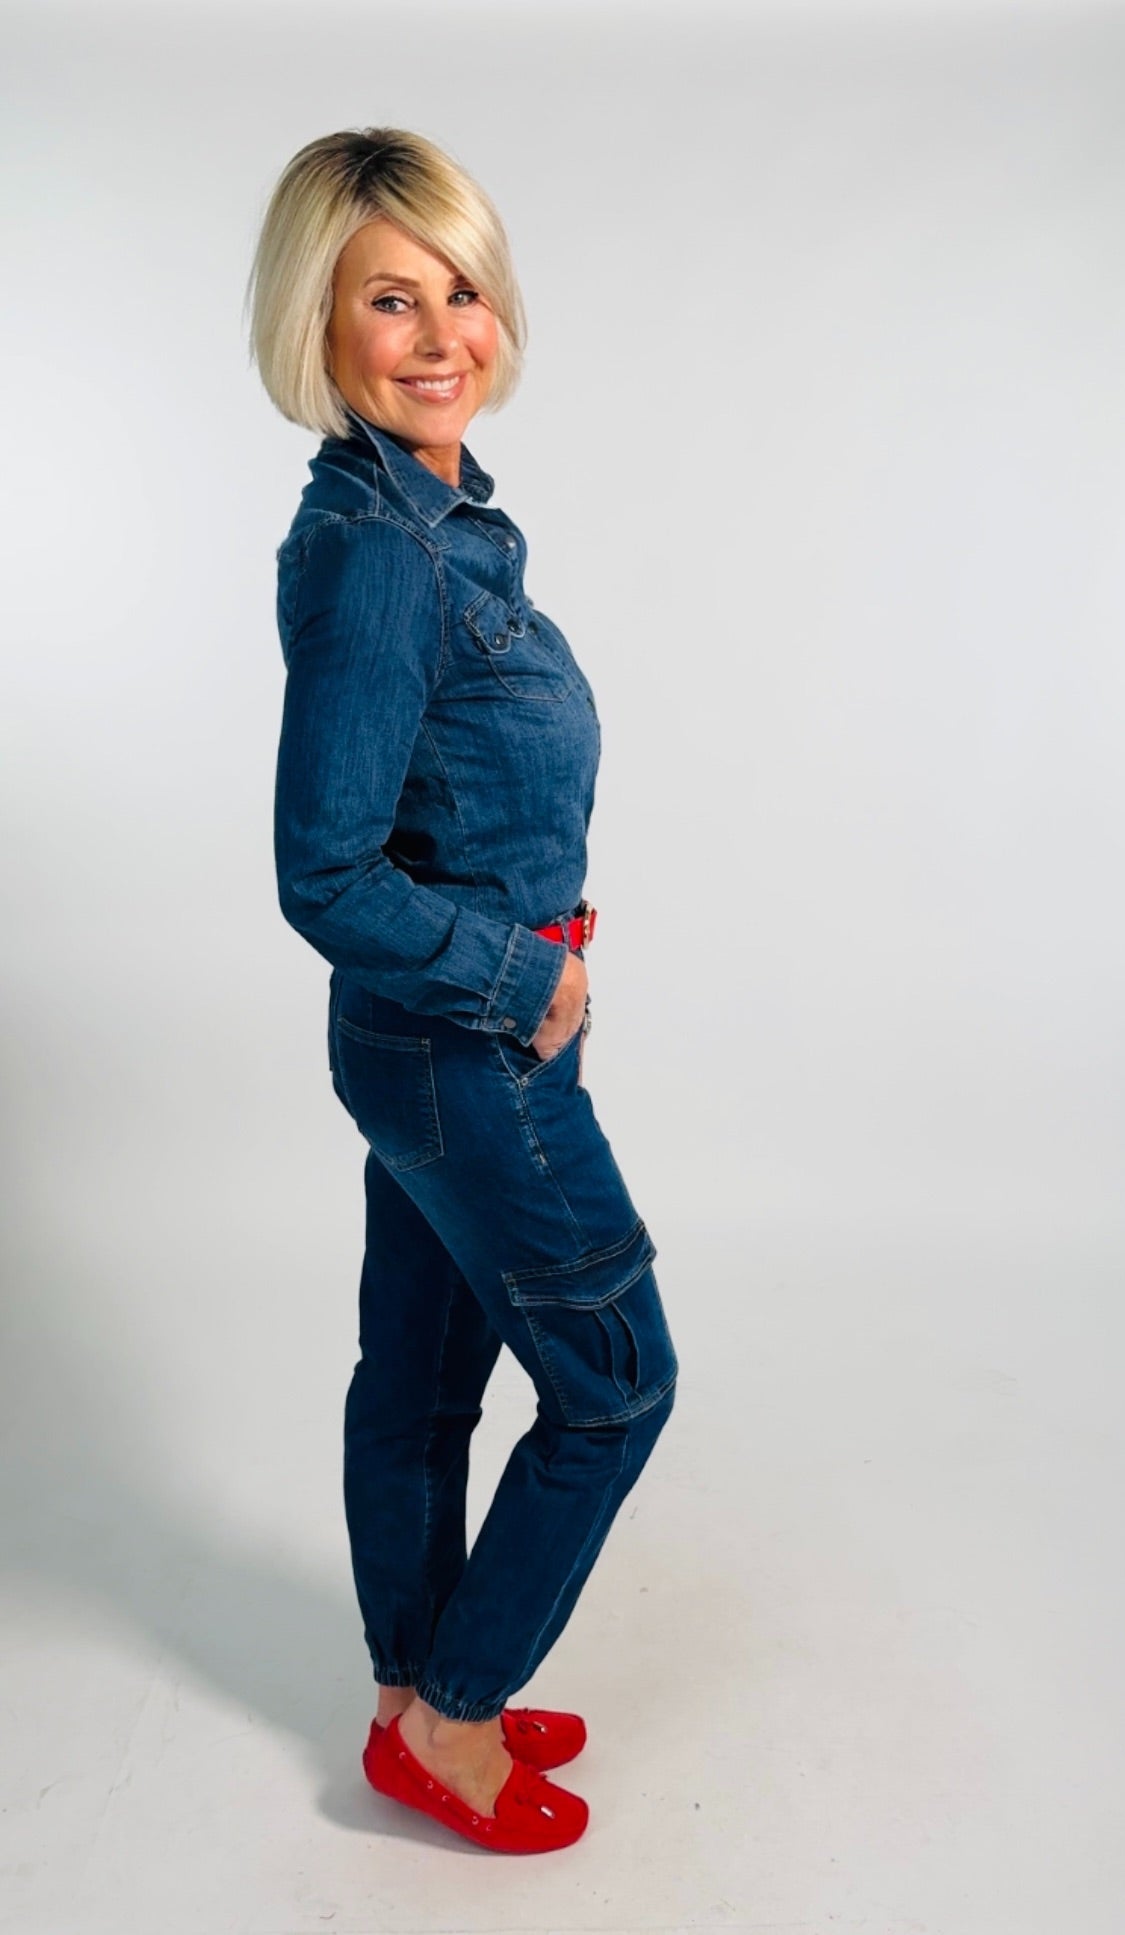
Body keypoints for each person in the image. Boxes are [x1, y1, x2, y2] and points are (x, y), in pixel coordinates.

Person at [245, 127, 679, 1855]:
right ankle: (454, 1714)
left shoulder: (434, 522)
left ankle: (408, 1695)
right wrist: (522, 971)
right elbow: (324, 870)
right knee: (615, 1381)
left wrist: (527, 955)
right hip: (465, 1047)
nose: (441, 336)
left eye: (462, 290)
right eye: (388, 299)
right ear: (316, 323)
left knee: (422, 1383)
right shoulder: (386, 553)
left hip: (439, 1042)